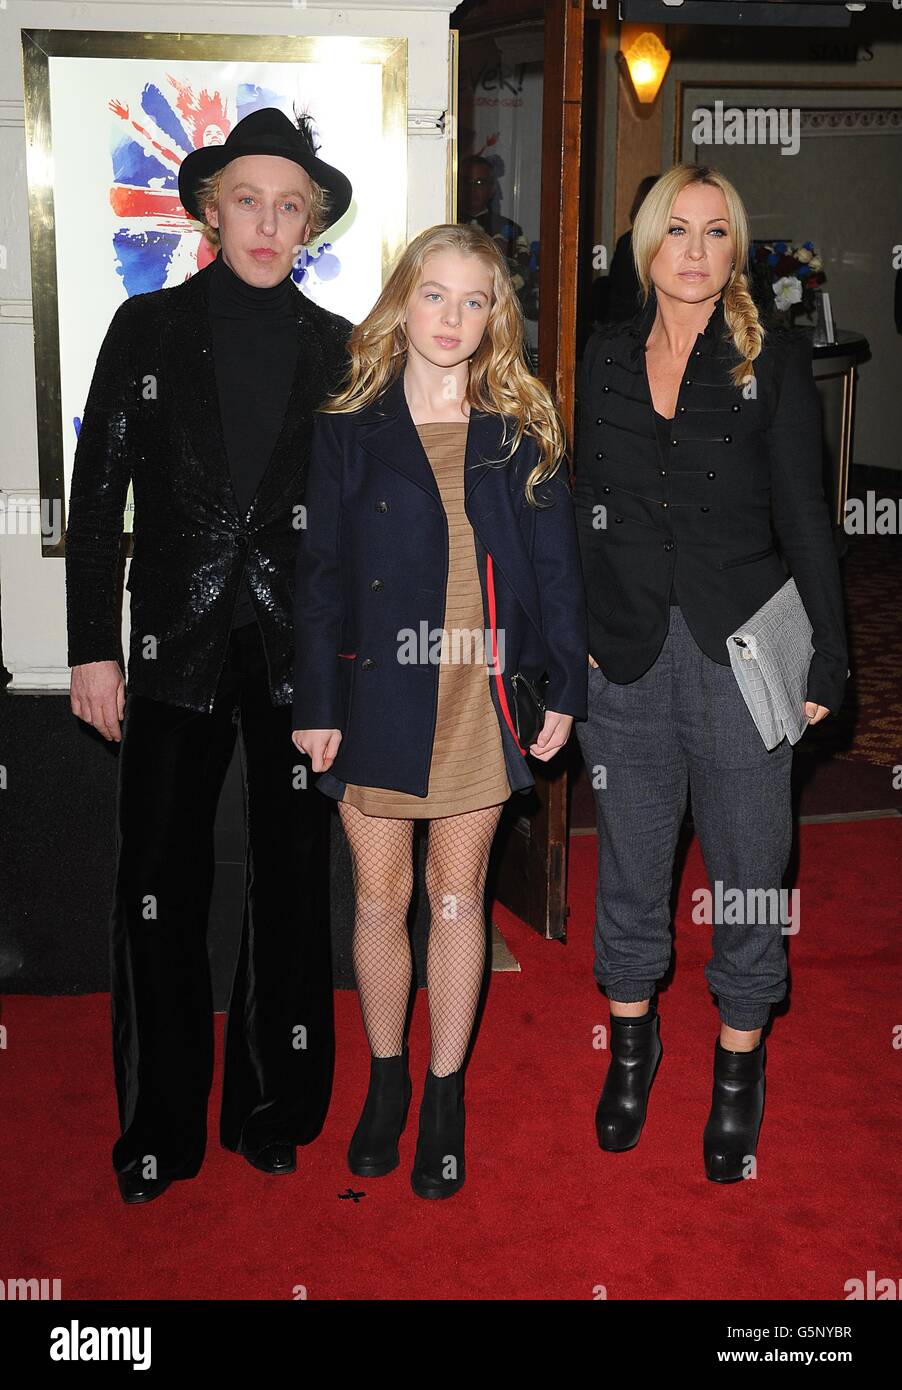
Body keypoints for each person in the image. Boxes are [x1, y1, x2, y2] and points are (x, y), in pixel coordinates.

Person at [65, 107, 353, 1203]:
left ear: (309, 221)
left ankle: (272, 1109)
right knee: (156, 887)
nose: (267, 223)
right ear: (210, 209)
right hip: (170, 645)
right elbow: (98, 508)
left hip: (296, 651)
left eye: (289, 206)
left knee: (289, 888)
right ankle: (157, 1129)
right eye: (248, 200)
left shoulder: (339, 347)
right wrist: (94, 649)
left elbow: (360, 518)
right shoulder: (143, 331)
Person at [292, 223, 587, 1199]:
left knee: (456, 896)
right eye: (434, 295)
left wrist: (562, 689)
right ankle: (384, 1083)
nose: (453, 318)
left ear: (495, 314)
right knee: (380, 897)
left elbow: (555, 573)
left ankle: (444, 1089)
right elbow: (320, 570)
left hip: (478, 689)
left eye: (474, 300)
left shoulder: (521, 423)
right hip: (375, 688)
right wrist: (316, 696)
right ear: (402, 301)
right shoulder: (348, 419)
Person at [573, 164, 848, 1182]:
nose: (693, 252)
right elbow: (576, 512)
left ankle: (738, 1068)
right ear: (645, 247)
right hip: (627, 659)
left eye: (714, 232)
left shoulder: (764, 361)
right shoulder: (600, 360)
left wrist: (829, 650)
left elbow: (805, 517)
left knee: (747, 876)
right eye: (674, 231)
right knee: (631, 873)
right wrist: (576, 642)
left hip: (740, 656)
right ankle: (631, 1053)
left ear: (735, 249)